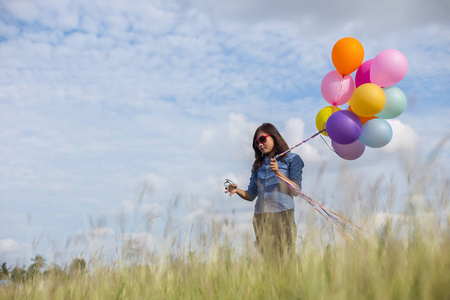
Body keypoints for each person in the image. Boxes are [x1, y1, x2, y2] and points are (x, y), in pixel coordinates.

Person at [225, 123, 304, 256]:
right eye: (256, 142)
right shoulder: (258, 165)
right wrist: (237, 190)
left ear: (274, 137)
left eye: (262, 139)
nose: (260, 144)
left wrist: (278, 173)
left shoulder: (292, 159)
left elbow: (296, 191)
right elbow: (251, 195)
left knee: (286, 258)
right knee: (268, 263)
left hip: (283, 214)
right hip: (261, 217)